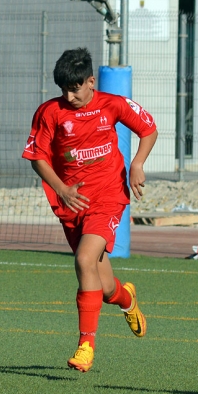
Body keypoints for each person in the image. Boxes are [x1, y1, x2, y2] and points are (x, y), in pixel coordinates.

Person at [21, 47, 158, 373]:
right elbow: (37, 157)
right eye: (64, 89)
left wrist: (137, 163)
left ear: (91, 81)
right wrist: (62, 189)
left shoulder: (112, 104)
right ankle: (127, 299)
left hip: (108, 197)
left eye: (76, 87)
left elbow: (149, 129)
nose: (70, 95)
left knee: (83, 259)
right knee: (105, 285)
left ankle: (86, 346)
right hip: (71, 203)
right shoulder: (50, 112)